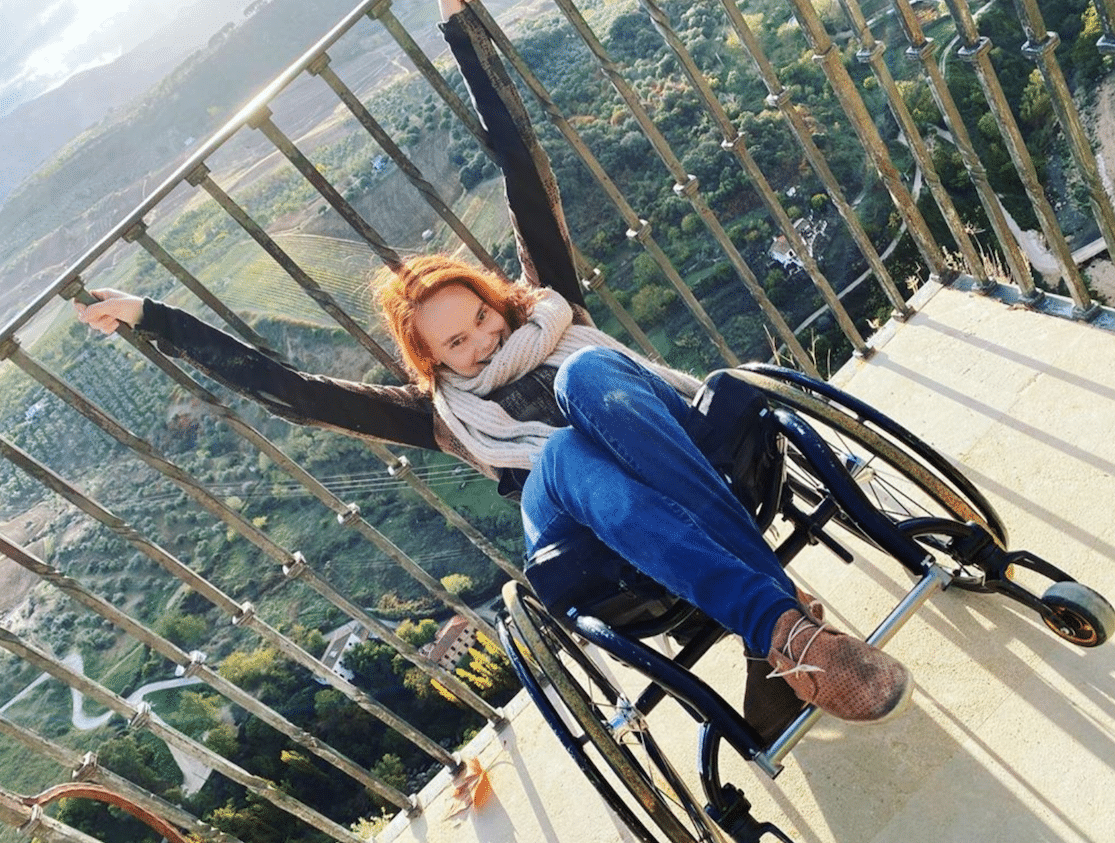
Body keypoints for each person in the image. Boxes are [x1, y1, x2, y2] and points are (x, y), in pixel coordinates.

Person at [75, 0, 911, 731]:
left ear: (496, 299)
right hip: (578, 519)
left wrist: (461, 28)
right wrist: (156, 318)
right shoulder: (435, 411)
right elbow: (288, 392)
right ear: (429, 358)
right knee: (559, 451)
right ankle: (787, 627)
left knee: (586, 378)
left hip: (668, 452)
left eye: (480, 319)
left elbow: (521, 167)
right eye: (455, 344)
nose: (478, 345)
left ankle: (783, 639)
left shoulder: (549, 307)